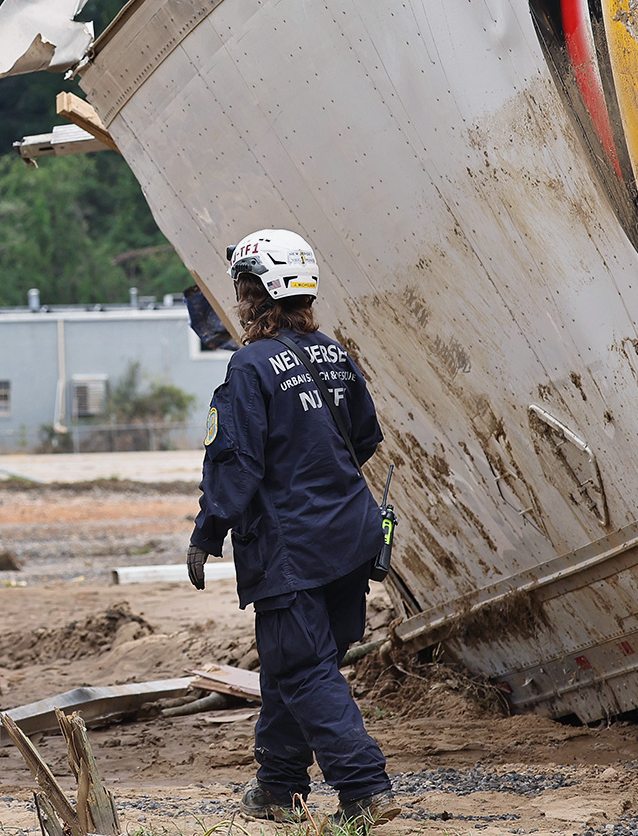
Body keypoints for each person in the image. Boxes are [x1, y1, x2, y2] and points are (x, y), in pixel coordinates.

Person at [186, 229, 398, 828]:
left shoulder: (249, 367)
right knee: (294, 665)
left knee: (304, 669)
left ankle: (365, 788)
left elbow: (236, 464)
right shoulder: (333, 352)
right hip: (351, 539)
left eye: (243, 288)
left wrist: (206, 534)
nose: (239, 299)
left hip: (292, 552)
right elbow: (363, 439)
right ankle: (279, 788)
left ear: (261, 294)